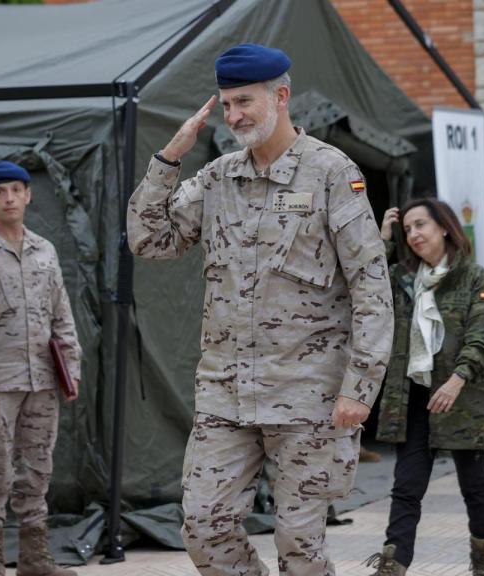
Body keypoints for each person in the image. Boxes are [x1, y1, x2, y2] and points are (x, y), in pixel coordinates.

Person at [127, 44, 393, 576]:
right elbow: (147, 239)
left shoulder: (331, 172)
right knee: (203, 528)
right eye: (226, 105)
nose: (234, 116)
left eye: (244, 101)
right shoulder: (219, 177)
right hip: (226, 395)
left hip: (308, 398)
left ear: (281, 96)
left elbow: (372, 286)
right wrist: (169, 158)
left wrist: (358, 387)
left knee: (300, 545)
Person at [367, 200, 484, 576]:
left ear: (444, 227)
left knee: (474, 486)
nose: (414, 235)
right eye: (407, 229)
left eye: (420, 225)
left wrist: (457, 379)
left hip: (462, 398)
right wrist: (384, 239)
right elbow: (367, 280)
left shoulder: (475, 278)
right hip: (414, 396)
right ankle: (392, 566)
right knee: (406, 487)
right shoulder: (402, 278)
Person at [0, 161, 82, 576]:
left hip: (42, 379)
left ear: (28, 195)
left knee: (37, 468)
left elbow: (62, 315)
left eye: (16, 190)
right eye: (0, 192)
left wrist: (70, 369)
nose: (9, 198)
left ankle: (35, 561)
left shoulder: (45, 250)